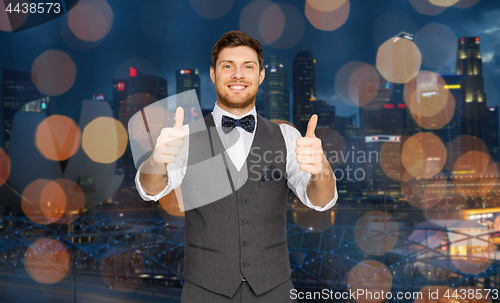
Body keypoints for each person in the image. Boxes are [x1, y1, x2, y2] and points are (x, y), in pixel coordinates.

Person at [135, 30, 338, 303]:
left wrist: (321, 167)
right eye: (227, 66)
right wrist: (157, 160)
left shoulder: (287, 137)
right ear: (212, 73)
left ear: (261, 75)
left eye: (248, 67)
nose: (238, 75)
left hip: (274, 288)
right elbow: (149, 190)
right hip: (204, 290)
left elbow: (321, 202)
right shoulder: (185, 137)